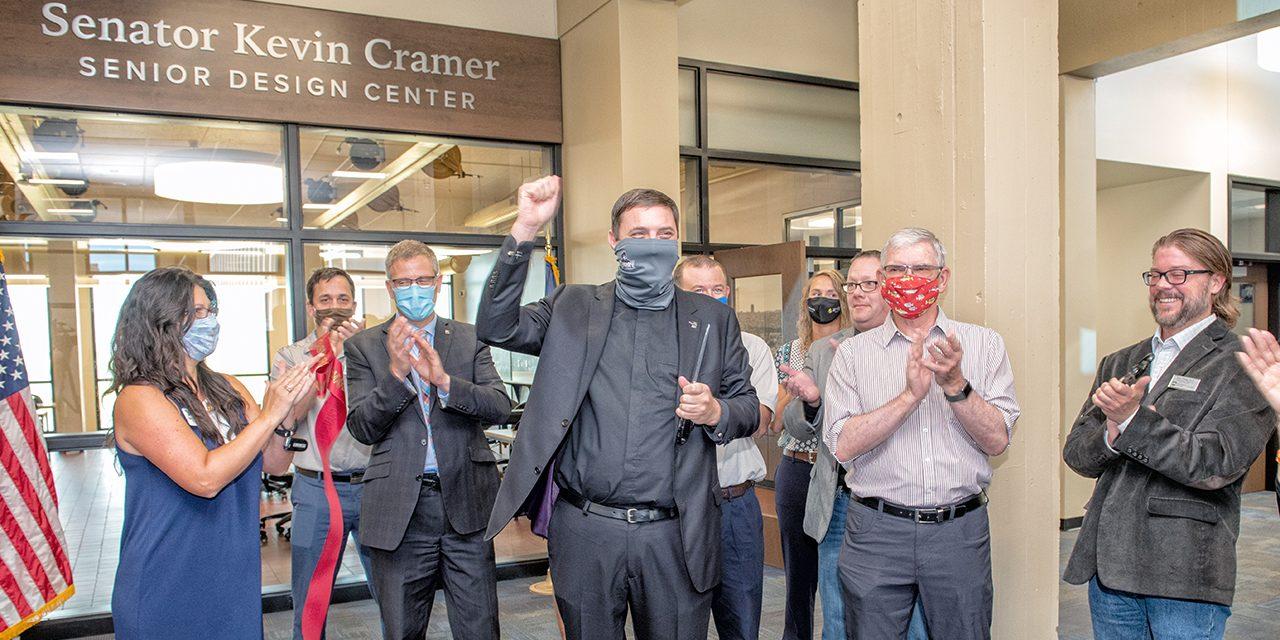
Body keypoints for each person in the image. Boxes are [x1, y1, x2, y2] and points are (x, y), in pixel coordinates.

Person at [477, 176, 760, 640]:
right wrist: (525, 227)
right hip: (588, 530)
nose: (653, 245)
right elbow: (496, 326)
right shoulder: (572, 306)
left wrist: (716, 412)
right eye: (639, 235)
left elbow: (747, 405)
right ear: (614, 242)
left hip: (675, 534)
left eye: (665, 235)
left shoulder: (712, 317)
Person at [1064, 228, 1275, 640]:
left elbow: (1215, 465)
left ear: (1216, 282)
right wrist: (1112, 430)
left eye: (1178, 274)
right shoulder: (1121, 361)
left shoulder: (1243, 366)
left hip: (1184, 573)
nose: (1163, 286)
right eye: (1155, 275)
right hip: (1109, 570)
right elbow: (1077, 455)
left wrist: (1133, 421)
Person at [824, 227, 1020, 639]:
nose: (906, 279)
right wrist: (908, 399)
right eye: (895, 269)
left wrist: (955, 387)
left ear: (942, 278)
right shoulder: (854, 355)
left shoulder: (983, 345)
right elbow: (841, 444)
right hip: (877, 531)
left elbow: (998, 440)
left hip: (958, 532)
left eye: (919, 268)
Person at [108, 267, 317, 639]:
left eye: (210, 310)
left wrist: (290, 413)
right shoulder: (139, 399)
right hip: (168, 575)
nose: (211, 321)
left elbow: (275, 462)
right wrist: (269, 414)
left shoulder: (228, 388)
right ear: (162, 320)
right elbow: (204, 477)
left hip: (231, 572)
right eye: (198, 312)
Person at [344, 240, 514, 640]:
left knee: (480, 627)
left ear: (438, 284)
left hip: (466, 506)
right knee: (403, 628)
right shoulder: (364, 347)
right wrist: (398, 375)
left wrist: (444, 382)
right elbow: (362, 427)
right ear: (390, 288)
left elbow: (499, 406)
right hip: (400, 513)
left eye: (422, 279)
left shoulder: (470, 338)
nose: (414, 289)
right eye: (404, 282)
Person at [780, 250, 932, 640]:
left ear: (892, 290)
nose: (857, 294)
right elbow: (798, 425)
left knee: (909, 622)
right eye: (852, 285)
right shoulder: (823, 351)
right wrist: (812, 401)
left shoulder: (918, 349)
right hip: (839, 503)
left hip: (899, 508)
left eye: (870, 284)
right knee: (838, 618)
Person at [674, 255, 779, 640]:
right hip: (677, 511)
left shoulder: (753, 348)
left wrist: (716, 408)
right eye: (698, 291)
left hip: (735, 507)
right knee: (679, 622)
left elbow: (763, 420)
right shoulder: (661, 349)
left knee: (741, 621)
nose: (710, 298)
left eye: (718, 290)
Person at [269, 267, 369, 639]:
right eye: (325, 300)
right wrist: (319, 365)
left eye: (343, 299)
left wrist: (360, 357)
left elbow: (388, 407)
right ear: (312, 307)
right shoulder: (291, 356)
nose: (335, 308)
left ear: (354, 304)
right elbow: (287, 419)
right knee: (311, 601)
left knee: (396, 593)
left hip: (372, 486)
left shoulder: (373, 349)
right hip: (315, 490)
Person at [772, 269, 850, 640]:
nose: (824, 300)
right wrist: (798, 388)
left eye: (831, 292)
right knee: (799, 581)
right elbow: (775, 422)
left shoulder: (853, 347)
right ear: (806, 302)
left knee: (840, 576)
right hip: (799, 471)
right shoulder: (790, 351)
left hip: (840, 476)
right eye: (816, 293)